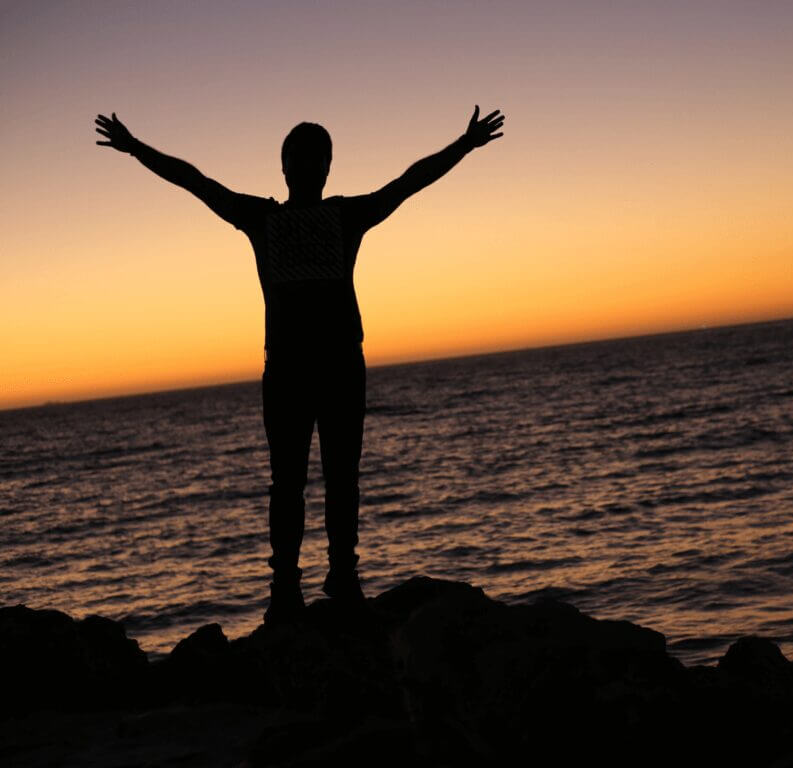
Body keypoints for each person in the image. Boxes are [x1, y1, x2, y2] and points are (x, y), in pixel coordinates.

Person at [95, 106, 505, 623]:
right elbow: (194, 181)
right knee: (297, 482)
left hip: (332, 367)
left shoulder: (329, 216)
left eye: (317, 159)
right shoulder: (274, 218)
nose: (311, 167)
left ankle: (334, 577)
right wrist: (136, 149)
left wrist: (463, 145)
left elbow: (409, 181)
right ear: (287, 167)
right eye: (304, 159)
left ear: (323, 167)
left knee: (333, 478)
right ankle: (290, 586)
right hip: (294, 370)